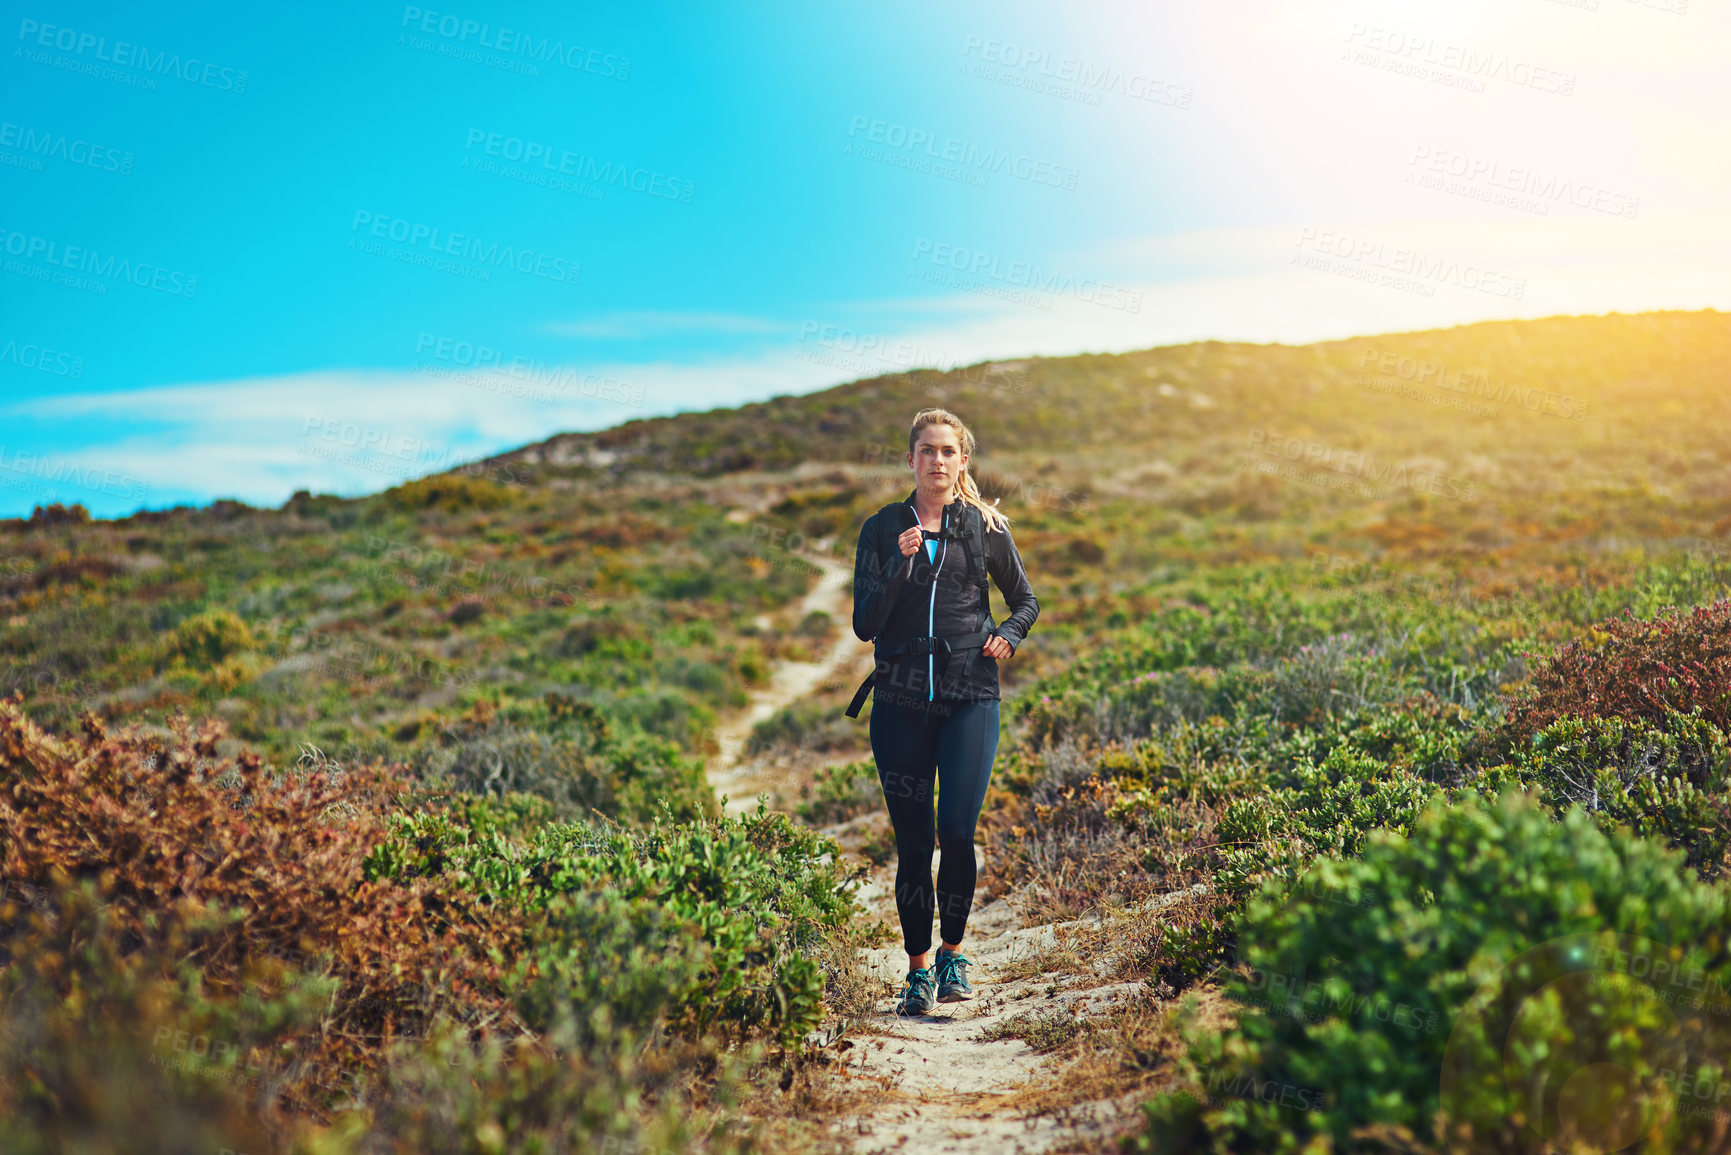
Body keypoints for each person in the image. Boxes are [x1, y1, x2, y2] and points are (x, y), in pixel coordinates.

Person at [848, 407, 1039, 1015]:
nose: (937, 461)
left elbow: (1026, 601)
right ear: (910, 459)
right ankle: (919, 969)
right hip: (900, 701)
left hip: (969, 696)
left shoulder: (985, 526)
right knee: (913, 841)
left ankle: (954, 953)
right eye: (926, 450)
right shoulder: (881, 529)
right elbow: (863, 624)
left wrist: (1008, 633)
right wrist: (899, 568)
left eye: (948, 451)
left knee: (956, 831)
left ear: (963, 462)